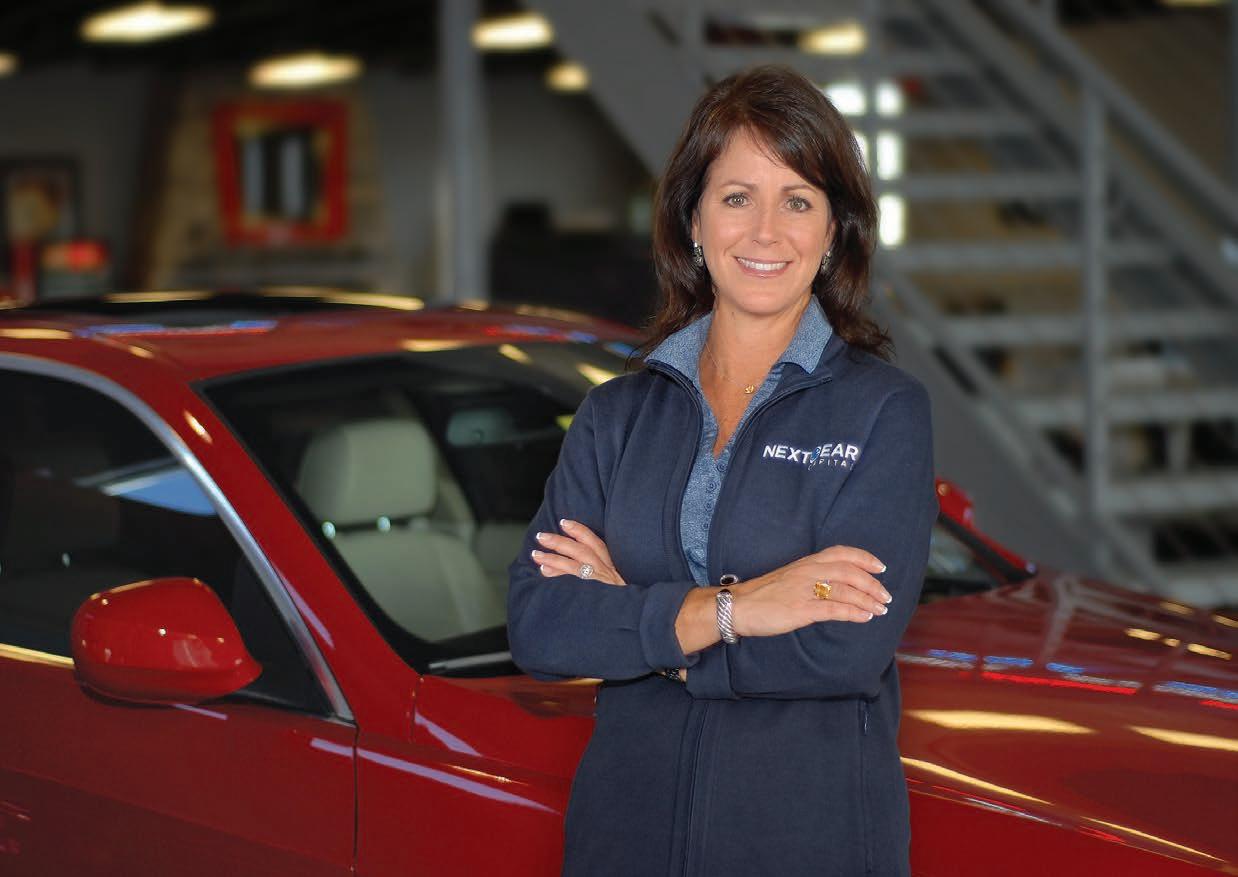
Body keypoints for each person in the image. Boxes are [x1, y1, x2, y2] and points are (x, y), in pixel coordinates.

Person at [507, 64, 937, 877]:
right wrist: (741, 608)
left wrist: (644, 628)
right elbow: (542, 624)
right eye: (738, 197)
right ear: (694, 222)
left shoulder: (884, 412)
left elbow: (846, 648)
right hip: (624, 842)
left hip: (806, 847)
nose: (766, 232)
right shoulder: (616, 416)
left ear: (833, 232)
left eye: (798, 201)